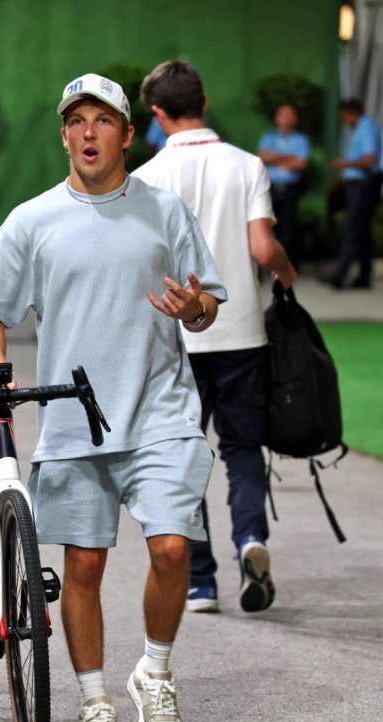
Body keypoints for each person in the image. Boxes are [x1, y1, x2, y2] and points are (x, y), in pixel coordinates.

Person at [0, 72, 227, 722]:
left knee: (172, 548)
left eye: (102, 120)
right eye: (76, 120)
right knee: (82, 567)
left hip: (161, 412)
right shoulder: (31, 219)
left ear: (126, 134)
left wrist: (192, 309)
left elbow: (207, 304)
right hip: (74, 421)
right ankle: (91, 703)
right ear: (63, 135)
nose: (88, 132)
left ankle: (154, 672)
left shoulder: (165, 211)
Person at [133, 61, 297, 615]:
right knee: (243, 449)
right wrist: (289, 276)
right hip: (242, 333)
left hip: (175, 341)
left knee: (184, 457)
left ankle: (199, 581)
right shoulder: (247, 164)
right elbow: (263, 251)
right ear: (204, 100)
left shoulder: (148, 179)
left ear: (156, 113)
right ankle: (251, 540)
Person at [324, 98, 382, 289]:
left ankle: (339, 274)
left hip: (363, 185)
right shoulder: (361, 128)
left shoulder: (366, 128)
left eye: (343, 116)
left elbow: (369, 159)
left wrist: (345, 164)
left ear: (350, 113)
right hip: (357, 185)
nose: (343, 120)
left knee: (352, 228)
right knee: (362, 231)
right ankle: (364, 276)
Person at [258, 104, 310, 267]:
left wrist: (274, 158)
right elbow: (262, 157)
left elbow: (300, 163)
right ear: (277, 118)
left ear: (295, 119)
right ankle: (269, 264)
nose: (286, 119)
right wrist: (288, 158)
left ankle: (285, 265)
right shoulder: (269, 137)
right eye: (283, 115)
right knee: (268, 227)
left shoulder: (300, 139)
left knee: (289, 228)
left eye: (290, 115)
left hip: (290, 189)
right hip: (270, 188)